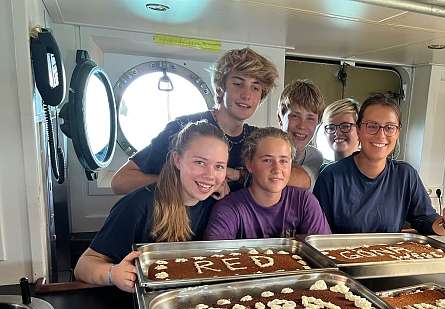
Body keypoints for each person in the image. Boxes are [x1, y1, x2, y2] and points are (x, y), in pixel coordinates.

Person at [313, 93, 445, 257]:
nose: (381, 135)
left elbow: (426, 221)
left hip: (389, 266)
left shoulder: (405, 176)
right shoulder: (331, 177)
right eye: (372, 126)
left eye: (389, 127)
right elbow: (319, 237)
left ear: (397, 132)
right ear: (359, 130)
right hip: (342, 272)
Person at [75, 121, 229, 292]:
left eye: (219, 167)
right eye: (200, 162)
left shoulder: (218, 206)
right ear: (177, 160)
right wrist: (113, 274)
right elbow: (84, 265)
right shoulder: (139, 205)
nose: (210, 175)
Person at [110, 47, 278, 197]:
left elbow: (294, 178)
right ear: (220, 89)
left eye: (255, 87)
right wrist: (189, 183)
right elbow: (121, 182)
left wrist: (239, 175)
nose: (247, 95)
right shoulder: (182, 129)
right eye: (238, 83)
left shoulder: (258, 139)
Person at [203, 127, 331, 240]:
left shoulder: (305, 202)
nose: (277, 169)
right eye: (267, 160)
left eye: (284, 161)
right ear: (249, 164)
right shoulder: (228, 209)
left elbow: (323, 252)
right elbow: (214, 259)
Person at [277, 79, 325, 191]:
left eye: (310, 118)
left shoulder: (315, 156)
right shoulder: (265, 147)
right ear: (280, 119)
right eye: (295, 116)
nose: (302, 126)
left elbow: (301, 181)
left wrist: (243, 174)